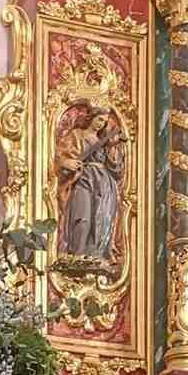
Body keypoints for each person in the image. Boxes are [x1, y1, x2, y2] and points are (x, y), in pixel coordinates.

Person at [55, 104, 124, 267]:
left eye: (104, 122)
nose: (101, 124)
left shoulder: (104, 141)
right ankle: (76, 254)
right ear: (91, 117)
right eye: (99, 119)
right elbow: (58, 157)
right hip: (83, 179)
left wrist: (113, 148)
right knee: (82, 217)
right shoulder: (76, 135)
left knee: (100, 219)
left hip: (104, 184)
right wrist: (66, 162)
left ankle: (96, 255)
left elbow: (116, 168)